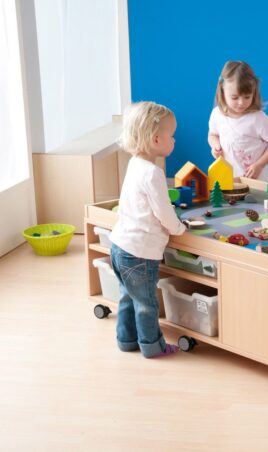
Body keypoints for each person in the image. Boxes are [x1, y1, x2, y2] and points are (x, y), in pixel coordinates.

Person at [108, 101, 187, 358]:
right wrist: (179, 228)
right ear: (155, 139)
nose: (174, 140)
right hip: (139, 253)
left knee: (127, 297)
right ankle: (153, 346)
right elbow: (163, 212)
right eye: (171, 135)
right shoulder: (153, 173)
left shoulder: (134, 163)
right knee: (146, 303)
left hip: (119, 245)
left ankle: (126, 340)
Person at [208, 61, 268, 180]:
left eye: (247, 97)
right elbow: (212, 135)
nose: (241, 102)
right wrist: (215, 146)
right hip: (229, 179)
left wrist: (259, 165)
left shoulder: (257, 118)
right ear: (222, 90)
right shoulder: (217, 114)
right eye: (235, 97)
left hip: (255, 181)